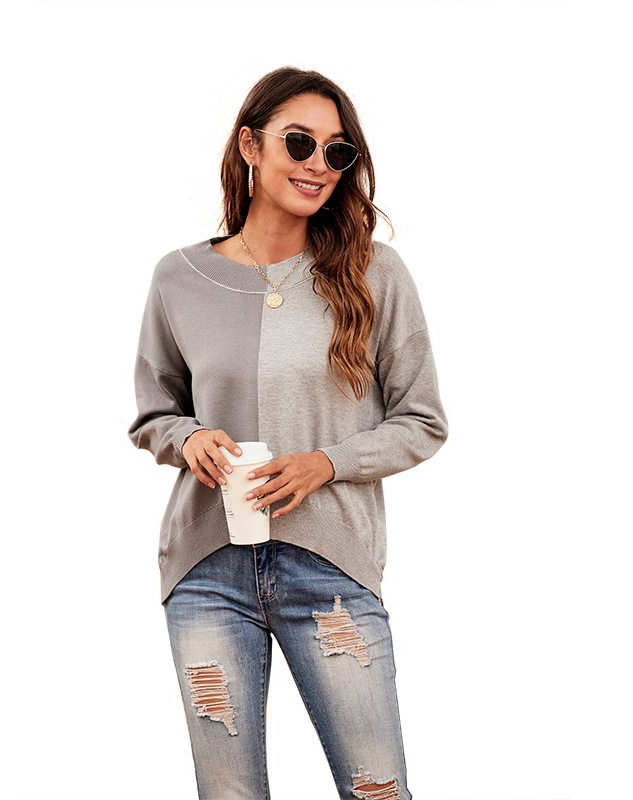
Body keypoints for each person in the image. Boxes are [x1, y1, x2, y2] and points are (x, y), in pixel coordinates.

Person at [128, 66, 448, 800]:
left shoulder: (374, 273)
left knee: (377, 790)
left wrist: (325, 464)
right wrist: (187, 439)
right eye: (299, 142)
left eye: (337, 152)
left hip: (330, 568)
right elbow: (154, 412)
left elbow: (423, 420)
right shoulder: (179, 278)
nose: (318, 164)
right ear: (251, 144)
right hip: (207, 569)